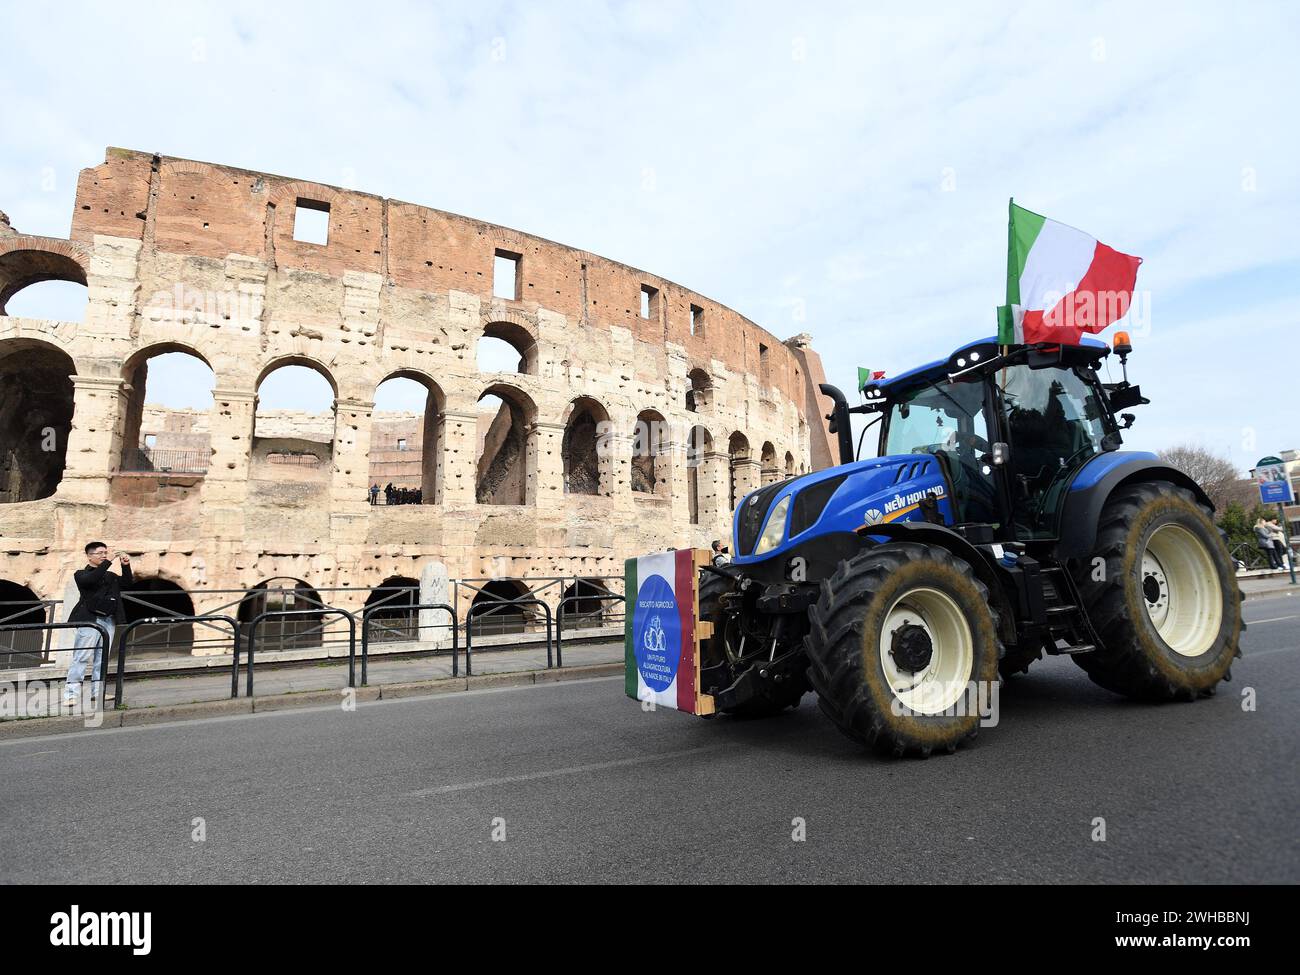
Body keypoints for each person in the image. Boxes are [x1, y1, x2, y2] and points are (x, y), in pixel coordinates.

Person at [64, 541, 132, 707]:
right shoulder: (81, 574)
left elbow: (127, 583)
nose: (104, 556)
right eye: (100, 553)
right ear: (89, 556)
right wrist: (109, 562)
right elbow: (92, 580)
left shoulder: (110, 576)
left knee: (101, 659)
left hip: (108, 619)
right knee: (81, 657)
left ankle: (97, 692)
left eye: (105, 553)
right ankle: (71, 694)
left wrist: (125, 566)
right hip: (89, 620)